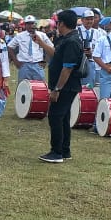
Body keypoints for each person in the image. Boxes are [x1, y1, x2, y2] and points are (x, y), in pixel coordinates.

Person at [40, 9, 80, 163]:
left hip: (66, 86)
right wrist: (42, 43)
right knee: (63, 117)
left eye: (57, 22)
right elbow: (56, 55)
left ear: (62, 23)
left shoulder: (71, 41)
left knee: (55, 116)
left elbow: (67, 68)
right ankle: (64, 150)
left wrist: (57, 89)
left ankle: (56, 152)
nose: (56, 25)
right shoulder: (67, 38)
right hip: (67, 86)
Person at [10, 15, 52, 82]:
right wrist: (15, 61)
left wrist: (45, 60)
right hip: (24, 65)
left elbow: (50, 47)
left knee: (40, 87)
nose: (30, 25)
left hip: (38, 65)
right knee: (23, 88)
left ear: (35, 24)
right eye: (28, 23)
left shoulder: (42, 35)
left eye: (32, 23)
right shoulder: (19, 36)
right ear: (25, 25)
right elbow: (10, 47)